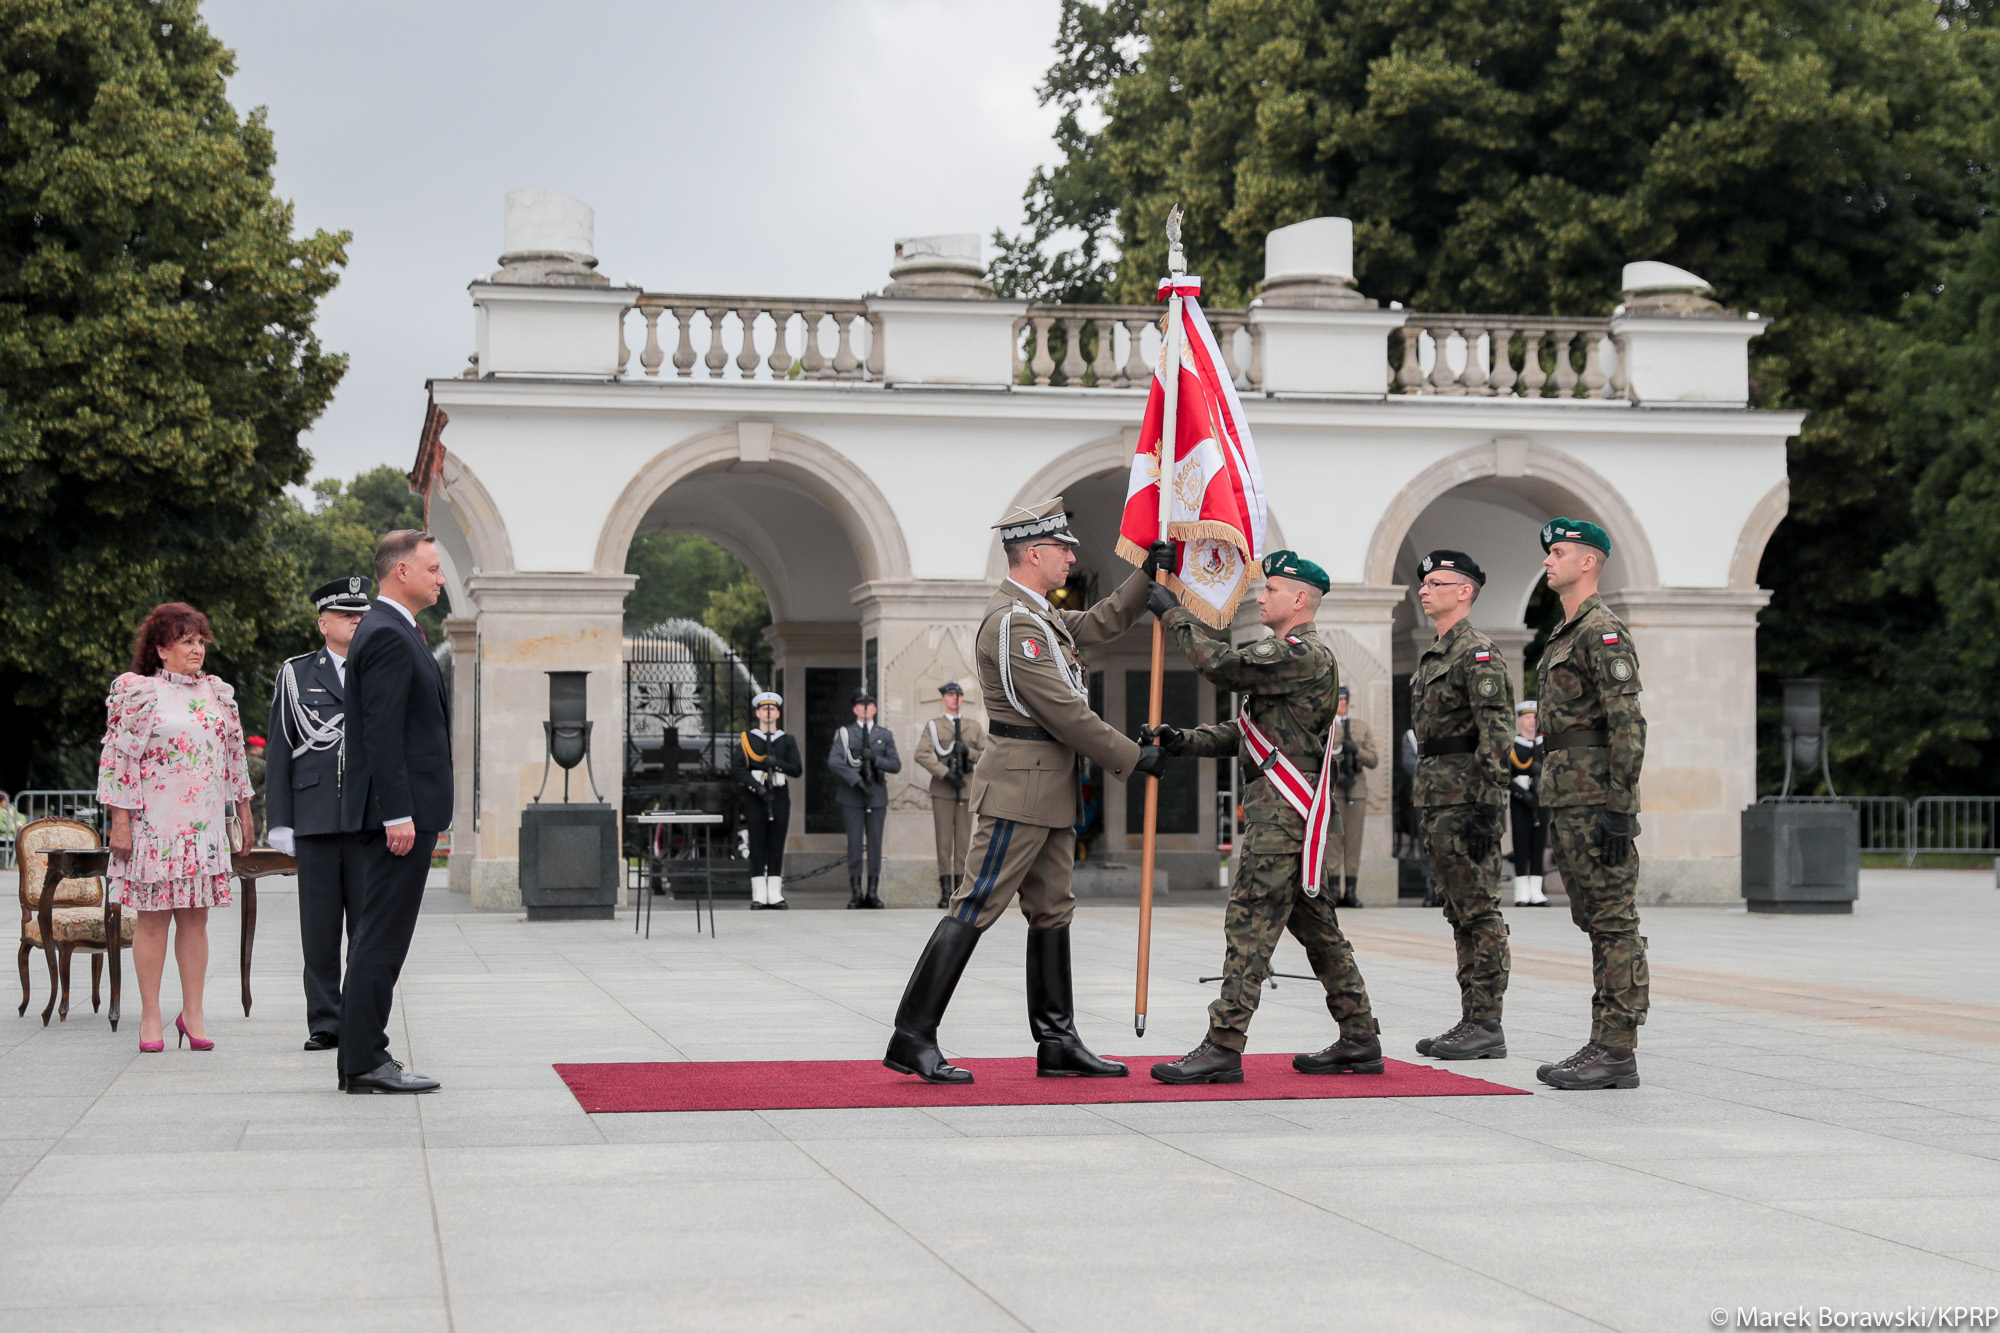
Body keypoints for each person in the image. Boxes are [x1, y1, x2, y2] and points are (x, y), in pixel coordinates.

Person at [882, 497, 1166, 1085]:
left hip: (1048, 787)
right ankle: (911, 1036)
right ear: (1033, 553)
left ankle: (1057, 1041)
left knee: (1052, 909)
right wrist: (1133, 757)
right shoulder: (1014, 624)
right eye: (1063, 549)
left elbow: (1103, 621)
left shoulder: (1041, 616)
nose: (1071, 558)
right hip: (1020, 786)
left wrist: (1148, 574)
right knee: (976, 904)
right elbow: (1062, 711)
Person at [1145, 551, 1385, 1085]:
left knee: (1249, 924)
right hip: (1287, 813)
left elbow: (1221, 666)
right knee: (1319, 932)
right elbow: (1250, 734)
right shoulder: (1294, 659)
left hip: (1281, 817)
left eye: (1271, 589)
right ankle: (1360, 1037)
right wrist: (1183, 740)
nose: (1261, 596)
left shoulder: (1301, 652)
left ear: (1299, 599)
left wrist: (1174, 613)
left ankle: (1223, 1045)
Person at [96, 603, 254, 1053]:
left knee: (196, 919)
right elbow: (117, 760)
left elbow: (235, 757)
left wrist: (244, 812)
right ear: (161, 649)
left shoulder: (218, 694)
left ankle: (193, 1013)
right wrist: (120, 821)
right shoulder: (139, 692)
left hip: (204, 826)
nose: (197, 649)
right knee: (152, 920)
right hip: (154, 826)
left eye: (201, 641)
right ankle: (150, 1016)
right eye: (186, 641)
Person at [1533, 517, 1648, 1091]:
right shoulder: (1566, 632)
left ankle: (1616, 1049)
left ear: (1588, 562)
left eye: (1558, 552)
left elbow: (1628, 723)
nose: (1548, 560)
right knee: (1596, 921)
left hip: (1596, 796)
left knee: (1613, 922)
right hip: (1569, 795)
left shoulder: (1602, 632)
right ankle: (1604, 1042)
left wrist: (1619, 808)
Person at [337, 531, 451, 1095]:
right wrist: (396, 813)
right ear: (401, 571)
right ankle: (364, 1061)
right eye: (433, 569)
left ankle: (363, 1056)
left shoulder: (394, 628)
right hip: (398, 817)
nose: (442, 579)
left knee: (381, 935)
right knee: (381, 937)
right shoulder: (385, 632)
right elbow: (381, 732)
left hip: (404, 812)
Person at [1409, 550, 1515, 1062]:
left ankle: (1487, 1022)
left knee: (1479, 912)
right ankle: (1472, 1017)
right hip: (1439, 799)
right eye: (1425, 582)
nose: (1425, 590)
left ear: (1464, 591)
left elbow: (1497, 734)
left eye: (1437, 582)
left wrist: (1489, 806)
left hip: (1467, 799)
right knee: (1458, 912)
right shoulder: (1437, 654)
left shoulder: (1477, 654)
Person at [266, 576, 371, 1052]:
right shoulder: (296, 674)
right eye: (347, 616)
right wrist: (280, 820)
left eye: (361, 615)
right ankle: (326, 1022)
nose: (356, 622)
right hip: (315, 816)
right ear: (323, 623)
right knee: (320, 931)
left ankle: (362, 1017)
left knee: (367, 930)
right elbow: (280, 749)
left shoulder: (379, 667)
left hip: (368, 818)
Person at [913, 681, 986, 908]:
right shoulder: (934, 726)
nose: (955, 699)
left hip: (965, 787)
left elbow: (987, 754)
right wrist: (944, 773)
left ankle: (961, 890)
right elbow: (921, 753)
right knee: (944, 841)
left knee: (963, 841)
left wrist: (969, 752)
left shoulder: (973, 726)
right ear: (943, 699)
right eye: (950, 695)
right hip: (943, 788)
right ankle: (945, 890)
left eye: (958, 695)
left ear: (962, 699)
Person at [828, 688, 899, 909]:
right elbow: (835, 761)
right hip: (852, 795)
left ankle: (873, 892)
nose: (865, 708)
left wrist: (875, 759)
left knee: (875, 844)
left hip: (876, 795)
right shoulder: (845, 734)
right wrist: (857, 780)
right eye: (861, 704)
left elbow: (895, 765)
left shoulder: (884, 735)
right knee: (855, 845)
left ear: (875, 708)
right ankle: (856, 892)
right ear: (855, 709)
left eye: (869, 705)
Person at [733, 691, 802, 910]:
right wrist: (758, 788)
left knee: (776, 843)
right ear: (758, 713)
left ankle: (774, 893)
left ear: (778, 713)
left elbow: (797, 769)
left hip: (778, 796)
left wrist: (777, 763)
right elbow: (738, 769)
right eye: (764, 709)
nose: (768, 712)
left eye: (772, 709)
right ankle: (759, 894)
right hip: (756, 797)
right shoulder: (748, 739)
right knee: (757, 843)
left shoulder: (786, 740)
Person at [1329, 685, 1378, 909]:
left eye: (1345, 699)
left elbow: (1373, 759)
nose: (1343, 703)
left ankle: (1351, 890)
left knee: (1354, 841)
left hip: (1356, 790)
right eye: (1339, 699)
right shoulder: (1327, 727)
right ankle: (1333, 889)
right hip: (1334, 789)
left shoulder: (1361, 727)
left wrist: (1356, 750)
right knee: (1333, 841)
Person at [1509, 699, 1551, 906]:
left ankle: (1536, 890)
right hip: (1521, 799)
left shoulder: (1543, 743)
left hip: (1541, 797)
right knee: (1521, 843)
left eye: (1534, 717)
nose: (1532, 721)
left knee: (1538, 843)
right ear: (1519, 720)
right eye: (1527, 717)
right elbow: (1506, 774)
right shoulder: (1513, 744)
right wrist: (1522, 794)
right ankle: (1521, 891)